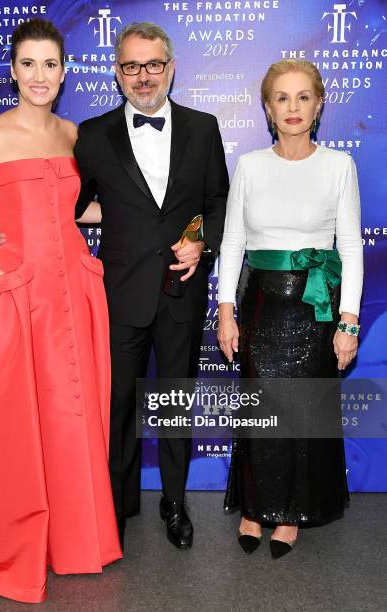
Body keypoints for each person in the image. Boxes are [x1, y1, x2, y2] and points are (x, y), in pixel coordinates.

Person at [0, 21, 229, 549]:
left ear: (171, 67)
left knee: (175, 405)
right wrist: (5, 228)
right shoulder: (91, 135)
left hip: (182, 292)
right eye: (132, 66)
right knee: (115, 410)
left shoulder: (204, 128)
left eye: (154, 64)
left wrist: (201, 241)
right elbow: (64, 204)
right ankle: (116, 507)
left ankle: (175, 502)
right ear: (117, 72)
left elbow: (218, 203)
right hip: (117, 293)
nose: (144, 76)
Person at [0, 19, 121, 604]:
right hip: (20, 293)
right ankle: (9, 544)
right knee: (11, 422)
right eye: (28, 64)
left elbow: (82, 209)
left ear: (65, 71)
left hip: (77, 293)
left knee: (72, 417)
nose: (40, 76)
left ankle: (75, 541)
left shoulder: (74, 135)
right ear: (12, 70)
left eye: (51, 65)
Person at [217, 59, 363, 558]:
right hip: (260, 306)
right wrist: (225, 309)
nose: (293, 107)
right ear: (267, 108)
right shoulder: (251, 166)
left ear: (319, 105)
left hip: (315, 307)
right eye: (282, 98)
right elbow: (233, 240)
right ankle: (256, 509)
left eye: (303, 97)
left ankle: (291, 513)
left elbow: (351, 248)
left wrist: (348, 321)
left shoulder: (339, 165)